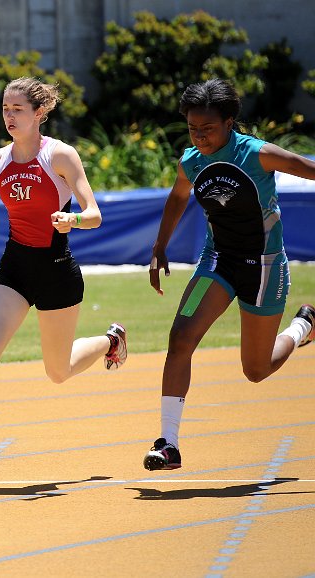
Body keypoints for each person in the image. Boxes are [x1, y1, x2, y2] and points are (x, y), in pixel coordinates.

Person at [0, 77, 128, 475]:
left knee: (58, 371)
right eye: (5, 108)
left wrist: (74, 219)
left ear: (39, 113)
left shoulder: (61, 156)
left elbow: (95, 214)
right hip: (16, 268)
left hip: (56, 270)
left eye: (18, 109)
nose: (9, 116)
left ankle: (110, 340)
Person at [143, 78, 315, 471]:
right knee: (181, 336)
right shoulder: (191, 160)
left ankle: (304, 326)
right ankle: (168, 443)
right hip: (218, 259)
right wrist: (159, 247)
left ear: (230, 121)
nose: (199, 137)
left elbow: (308, 169)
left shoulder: (258, 154)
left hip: (265, 266)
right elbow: (178, 196)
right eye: (192, 129)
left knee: (256, 370)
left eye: (208, 129)